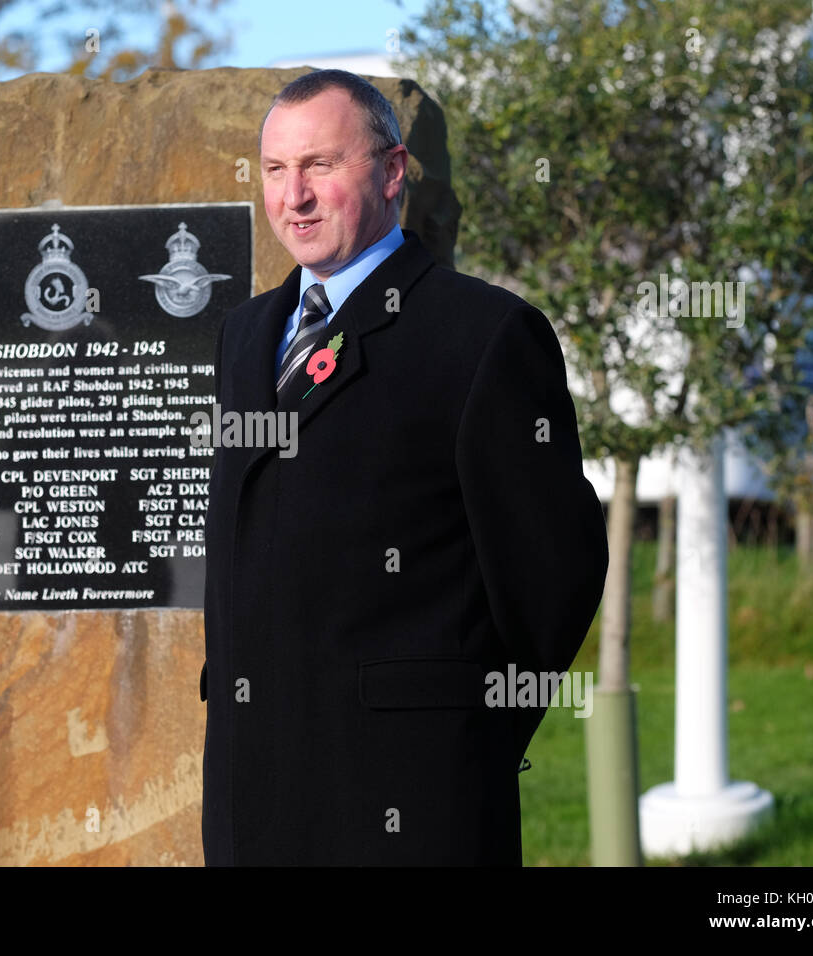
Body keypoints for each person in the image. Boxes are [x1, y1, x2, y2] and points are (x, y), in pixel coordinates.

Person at [199, 69, 608, 865]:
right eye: (277, 171)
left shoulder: (485, 336)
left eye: (321, 165)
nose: (296, 196)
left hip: (411, 800)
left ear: (391, 173)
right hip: (255, 793)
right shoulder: (245, 335)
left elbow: (553, 577)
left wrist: (456, 725)